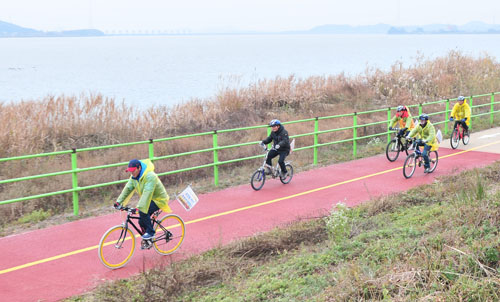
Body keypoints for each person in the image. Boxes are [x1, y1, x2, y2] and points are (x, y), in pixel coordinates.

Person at [114, 159, 171, 240]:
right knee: (141, 221)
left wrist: (139, 207)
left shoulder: (150, 176)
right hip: (149, 199)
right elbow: (127, 189)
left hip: (159, 199)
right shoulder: (134, 177)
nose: (132, 173)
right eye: (130, 171)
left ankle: (151, 233)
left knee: (143, 211)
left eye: (133, 171)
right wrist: (118, 202)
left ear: (139, 168)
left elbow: (147, 193)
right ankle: (148, 241)